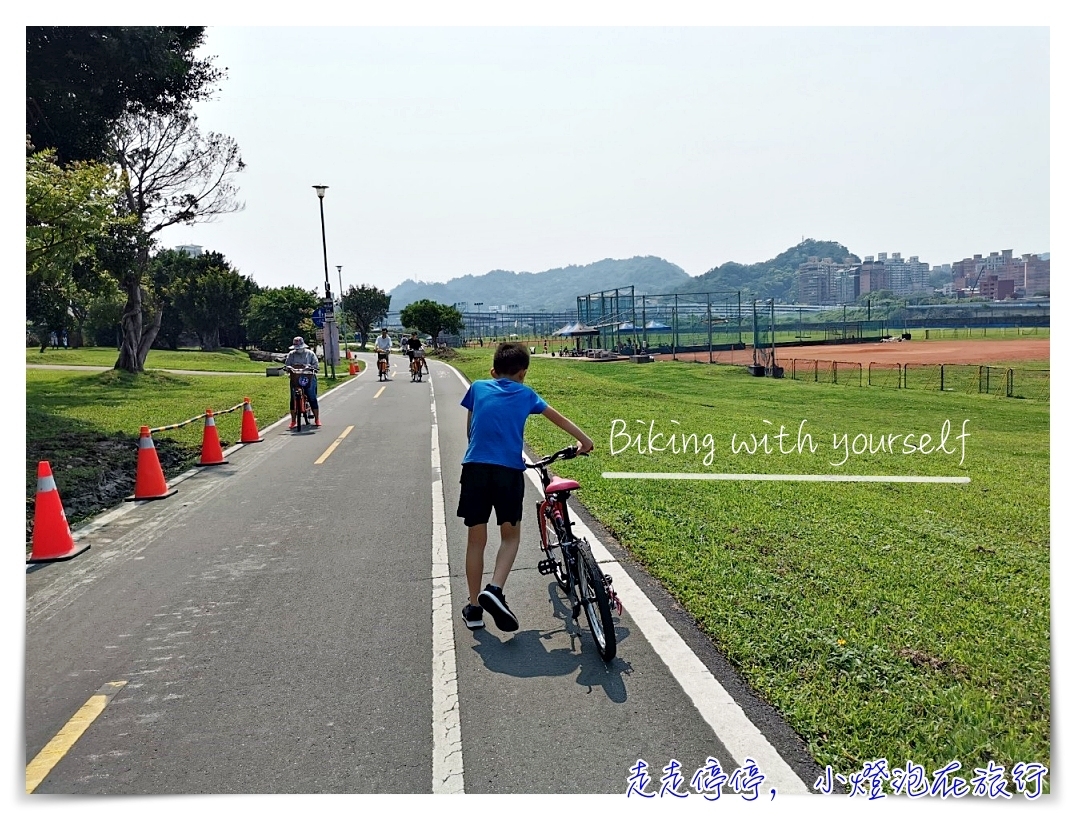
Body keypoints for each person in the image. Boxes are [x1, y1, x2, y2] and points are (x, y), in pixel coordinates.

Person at [457, 342, 594, 632]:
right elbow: (559, 419)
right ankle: (494, 589)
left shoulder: (478, 388)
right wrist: (585, 442)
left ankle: (474, 609)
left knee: (475, 541)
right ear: (523, 373)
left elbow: (470, 431)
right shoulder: (526, 393)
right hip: (507, 473)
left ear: (494, 371)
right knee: (510, 537)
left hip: (475, 470)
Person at [283, 336, 321, 428]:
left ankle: (317, 419)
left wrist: (312, 367)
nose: (298, 350)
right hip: (295, 378)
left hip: (308, 378)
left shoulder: (310, 354)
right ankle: (293, 421)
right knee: (293, 398)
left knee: (312, 397)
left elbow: (316, 365)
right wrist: (288, 368)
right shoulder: (291, 354)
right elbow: (287, 365)